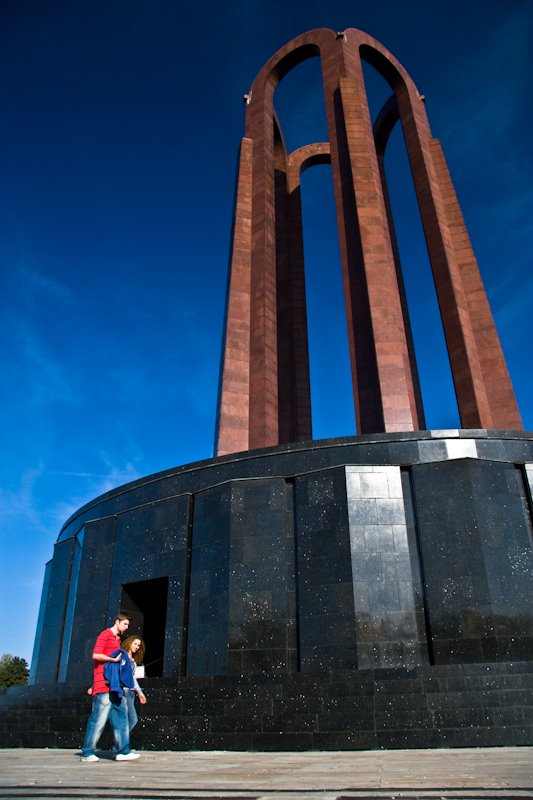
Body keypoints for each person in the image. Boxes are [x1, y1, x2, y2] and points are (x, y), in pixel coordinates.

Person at [80, 613, 140, 762]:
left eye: (127, 625)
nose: (126, 628)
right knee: (98, 719)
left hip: (115, 686)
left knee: (121, 718)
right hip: (103, 685)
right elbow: (96, 655)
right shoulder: (105, 634)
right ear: (117, 622)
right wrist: (112, 659)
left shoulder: (117, 639)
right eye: (125, 624)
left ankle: (123, 751)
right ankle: (87, 752)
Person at [120, 636, 147, 733]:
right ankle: (120, 743)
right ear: (130, 642)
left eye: (138, 645)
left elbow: (133, 678)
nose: (137, 647)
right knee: (132, 719)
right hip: (124, 691)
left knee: (128, 720)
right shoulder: (123, 656)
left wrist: (139, 692)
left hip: (131, 693)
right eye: (135, 644)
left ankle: (120, 743)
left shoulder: (133, 661)